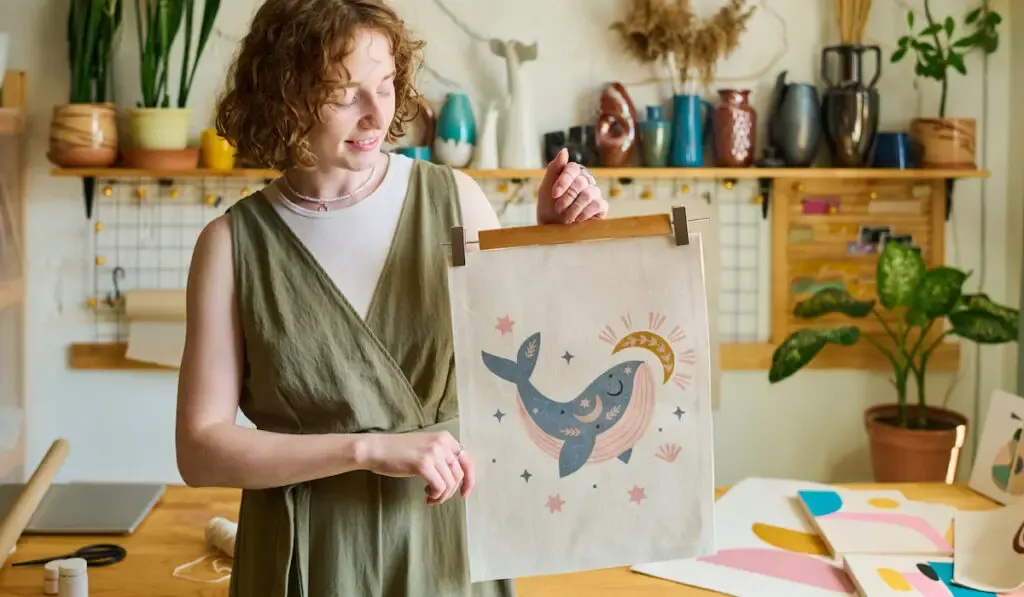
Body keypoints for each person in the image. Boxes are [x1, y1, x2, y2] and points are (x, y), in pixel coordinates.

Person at [173, 0, 608, 595]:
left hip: (445, 534)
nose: (377, 114)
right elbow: (200, 452)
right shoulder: (230, 245)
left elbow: (540, 372)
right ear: (282, 95)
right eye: (343, 92)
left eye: (386, 85)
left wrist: (550, 240)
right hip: (309, 553)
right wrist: (367, 448)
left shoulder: (456, 200)